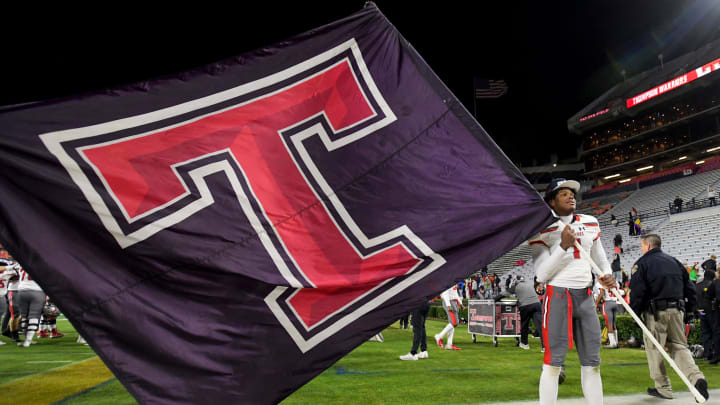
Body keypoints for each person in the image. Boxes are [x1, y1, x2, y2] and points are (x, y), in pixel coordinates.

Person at [529, 178, 616, 405]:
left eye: (572, 193)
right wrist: (562, 246)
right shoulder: (541, 229)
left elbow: (600, 257)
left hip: (585, 296)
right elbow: (541, 275)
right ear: (551, 201)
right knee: (553, 364)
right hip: (558, 295)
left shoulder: (590, 222)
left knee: (593, 363)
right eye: (564, 194)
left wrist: (606, 274)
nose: (571, 197)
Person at [629, 234, 708, 401]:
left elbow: (637, 293)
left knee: (654, 349)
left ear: (648, 246)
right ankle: (696, 378)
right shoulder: (675, 262)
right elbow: (690, 289)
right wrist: (690, 310)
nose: (641, 249)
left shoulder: (642, 264)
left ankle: (663, 388)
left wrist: (635, 314)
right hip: (677, 310)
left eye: (642, 246)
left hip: (656, 313)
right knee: (680, 346)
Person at [510, 275, 543, 351]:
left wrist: (494, 299)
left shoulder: (517, 286)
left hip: (526, 306)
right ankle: (545, 347)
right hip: (537, 304)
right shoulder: (529, 284)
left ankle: (525, 344)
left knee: (524, 325)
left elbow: (505, 293)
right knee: (541, 326)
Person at [434, 285, 463, 351]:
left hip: (453, 302)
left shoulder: (454, 279)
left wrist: (460, 303)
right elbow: (445, 292)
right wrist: (448, 305)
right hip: (449, 302)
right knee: (454, 322)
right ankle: (439, 336)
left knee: (452, 323)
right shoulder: (449, 279)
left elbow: (455, 293)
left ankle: (449, 344)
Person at [596, 279, 622, 349]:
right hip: (615, 302)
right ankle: (615, 342)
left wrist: (596, 304)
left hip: (607, 303)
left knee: (609, 323)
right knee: (613, 323)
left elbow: (601, 293)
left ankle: (612, 343)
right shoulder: (615, 281)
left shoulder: (600, 283)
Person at [696, 270, 716, 361]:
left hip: (701, 311)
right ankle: (715, 353)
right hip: (712, 311)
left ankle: (707, 353)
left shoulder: (698, 285)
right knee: (715, 332)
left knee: (705, 333)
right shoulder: (713, 284)